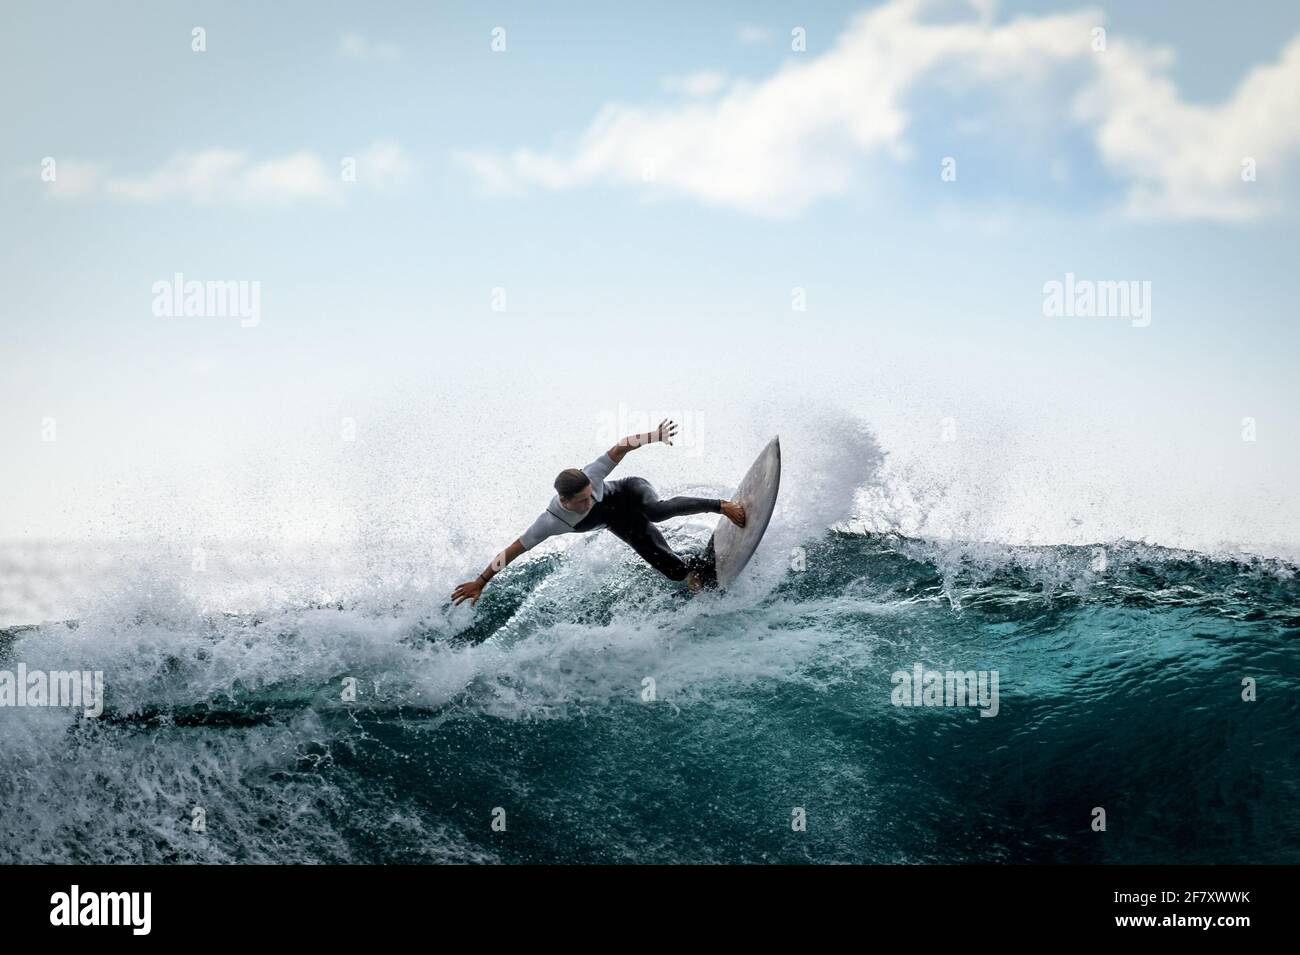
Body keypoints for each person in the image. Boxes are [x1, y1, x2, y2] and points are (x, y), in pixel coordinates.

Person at [451, 420, 746, 606]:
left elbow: (620, 447)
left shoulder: (591, 474)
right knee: (675, 572)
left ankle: (721, 505)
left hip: (633, 493)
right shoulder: (551, 522)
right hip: (622, 522)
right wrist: (481, 581)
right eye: (581, 500)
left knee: (656, 511)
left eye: (591, 492)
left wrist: (654, 435)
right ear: (564, 500)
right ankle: (698, 567)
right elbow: (513, 550)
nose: (590, 499)